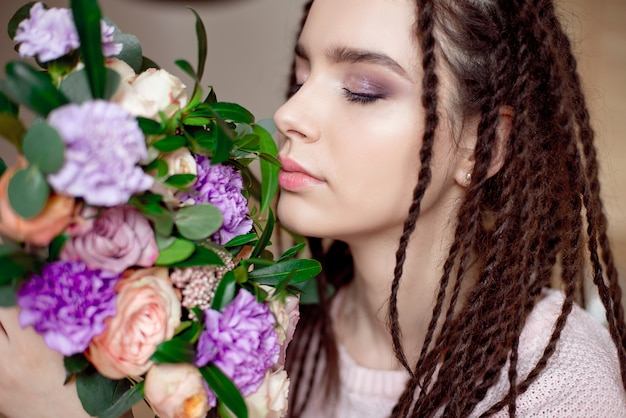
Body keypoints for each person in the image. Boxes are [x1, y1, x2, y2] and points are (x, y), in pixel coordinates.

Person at [275, 0, 626, 417]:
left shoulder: (558, 385)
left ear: (483, 146)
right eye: (301, 80)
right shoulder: (279, 331)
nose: (287, 114)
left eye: (362, 90)